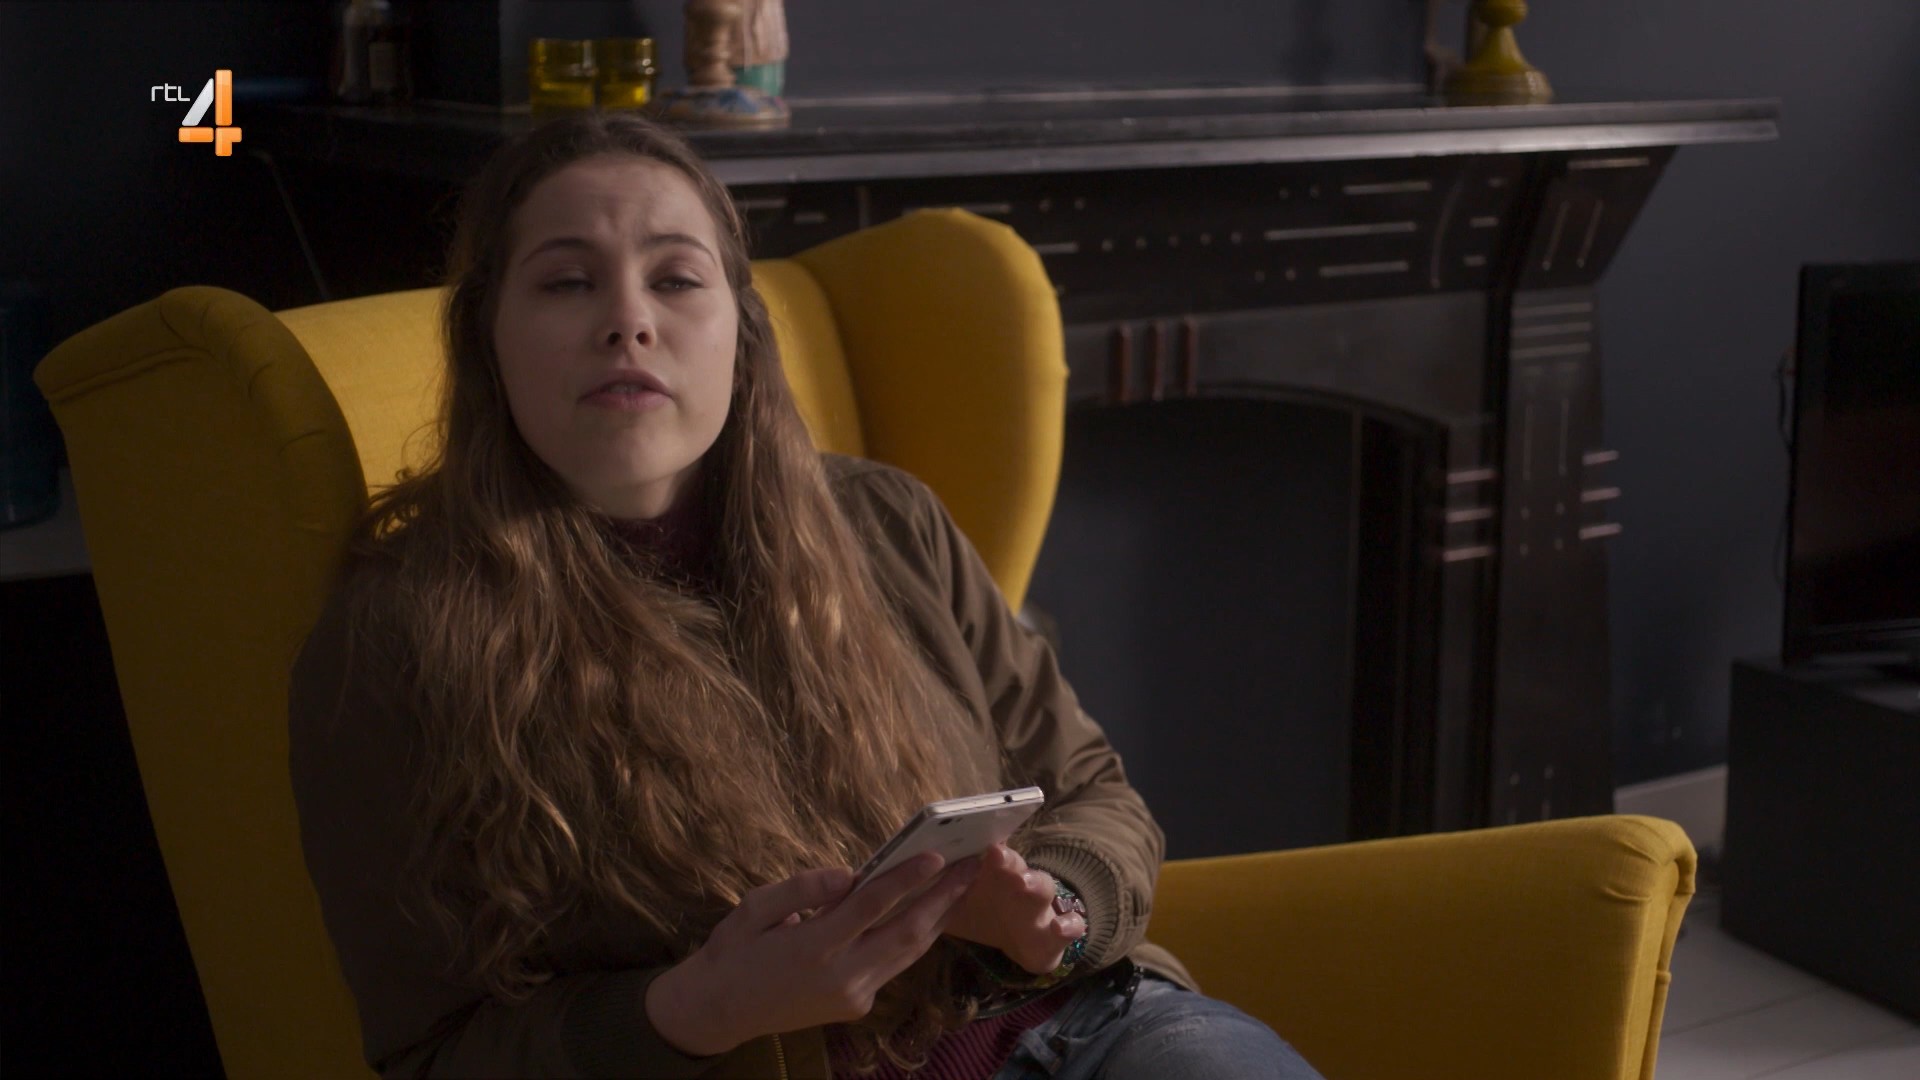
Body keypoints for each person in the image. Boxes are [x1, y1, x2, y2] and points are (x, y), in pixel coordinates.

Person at [287, 109, 1325, 1080]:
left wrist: (1052, 908)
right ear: (486, 338)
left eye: (676, 279)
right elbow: (432, 1054)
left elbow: (1094, 791)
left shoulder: (887, 520)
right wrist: (694, 1009)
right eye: (567, 283)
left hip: (1100, 1032)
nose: (629, 321)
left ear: (740, 333)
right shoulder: (396, 640)